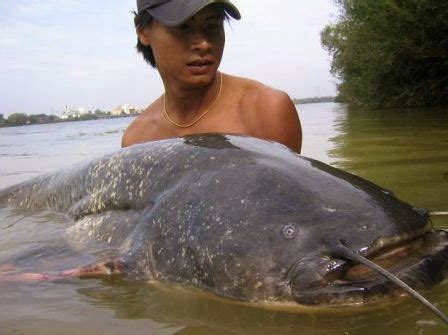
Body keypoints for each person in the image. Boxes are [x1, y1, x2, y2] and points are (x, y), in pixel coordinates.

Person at [122, 0, 302, 153]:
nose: (204, 44)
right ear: (144, 32)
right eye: (183, 27)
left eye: (212, 25)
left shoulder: (266, 112)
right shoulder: (137, 141)